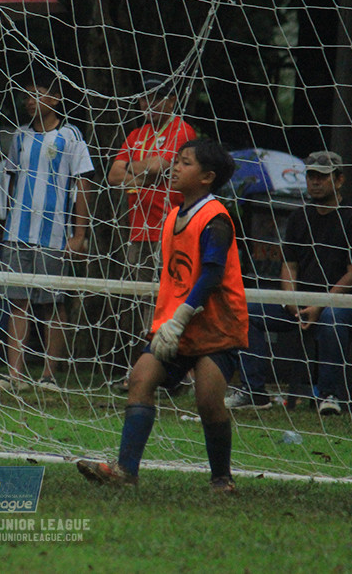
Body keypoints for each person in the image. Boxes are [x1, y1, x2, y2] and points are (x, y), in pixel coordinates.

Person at [78, 138, 245, 492]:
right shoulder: (173, 216)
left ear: (207, 177)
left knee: (208, 403)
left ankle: (221, 479)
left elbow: (212, 275)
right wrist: (169, 322)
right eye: (177, 161)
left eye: (185, 163)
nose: (175, 168)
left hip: (215, 326)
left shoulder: (215, 218)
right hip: (173, 326)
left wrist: (181, 317)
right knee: (140, 380)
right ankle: (125, 471)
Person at [224, 150, 352, 416]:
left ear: (339, 180)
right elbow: (289, 265)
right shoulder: (298, 217)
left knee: (332, 319)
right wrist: (291, 299)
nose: (315, 182)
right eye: (311, 176)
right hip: (301, 302)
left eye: (322, 177)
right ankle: (254, 391)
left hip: (346, 304)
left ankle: (328, 394)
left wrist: (321, 304)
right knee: (246, 309)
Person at [0, 74, 94, 392]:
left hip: (54, 234)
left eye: (37, 94)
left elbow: (83, 185)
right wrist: (4, 223)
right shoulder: (19, 137)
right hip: (18, 232)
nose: (29, 101)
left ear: (56, 100)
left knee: (52, 302)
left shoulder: (70, 135)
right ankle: (15, 375)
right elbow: (8, 181)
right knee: (18, 301)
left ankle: (49, 376)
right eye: (26, 96)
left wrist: (79, 234)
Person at [107, 76, 197, 389]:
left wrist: (137, 167)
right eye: (144, 98)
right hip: (139, 232)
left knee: (170, 302)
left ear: (171, 101)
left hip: (172, 230)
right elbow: (114, 175)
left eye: (156, 98)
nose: (148, 104)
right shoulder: (135, 133)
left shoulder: (181, 130)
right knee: (137, 304)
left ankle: (177, 373)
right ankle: (143, 372)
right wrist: (144, 169)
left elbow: (162, 165)